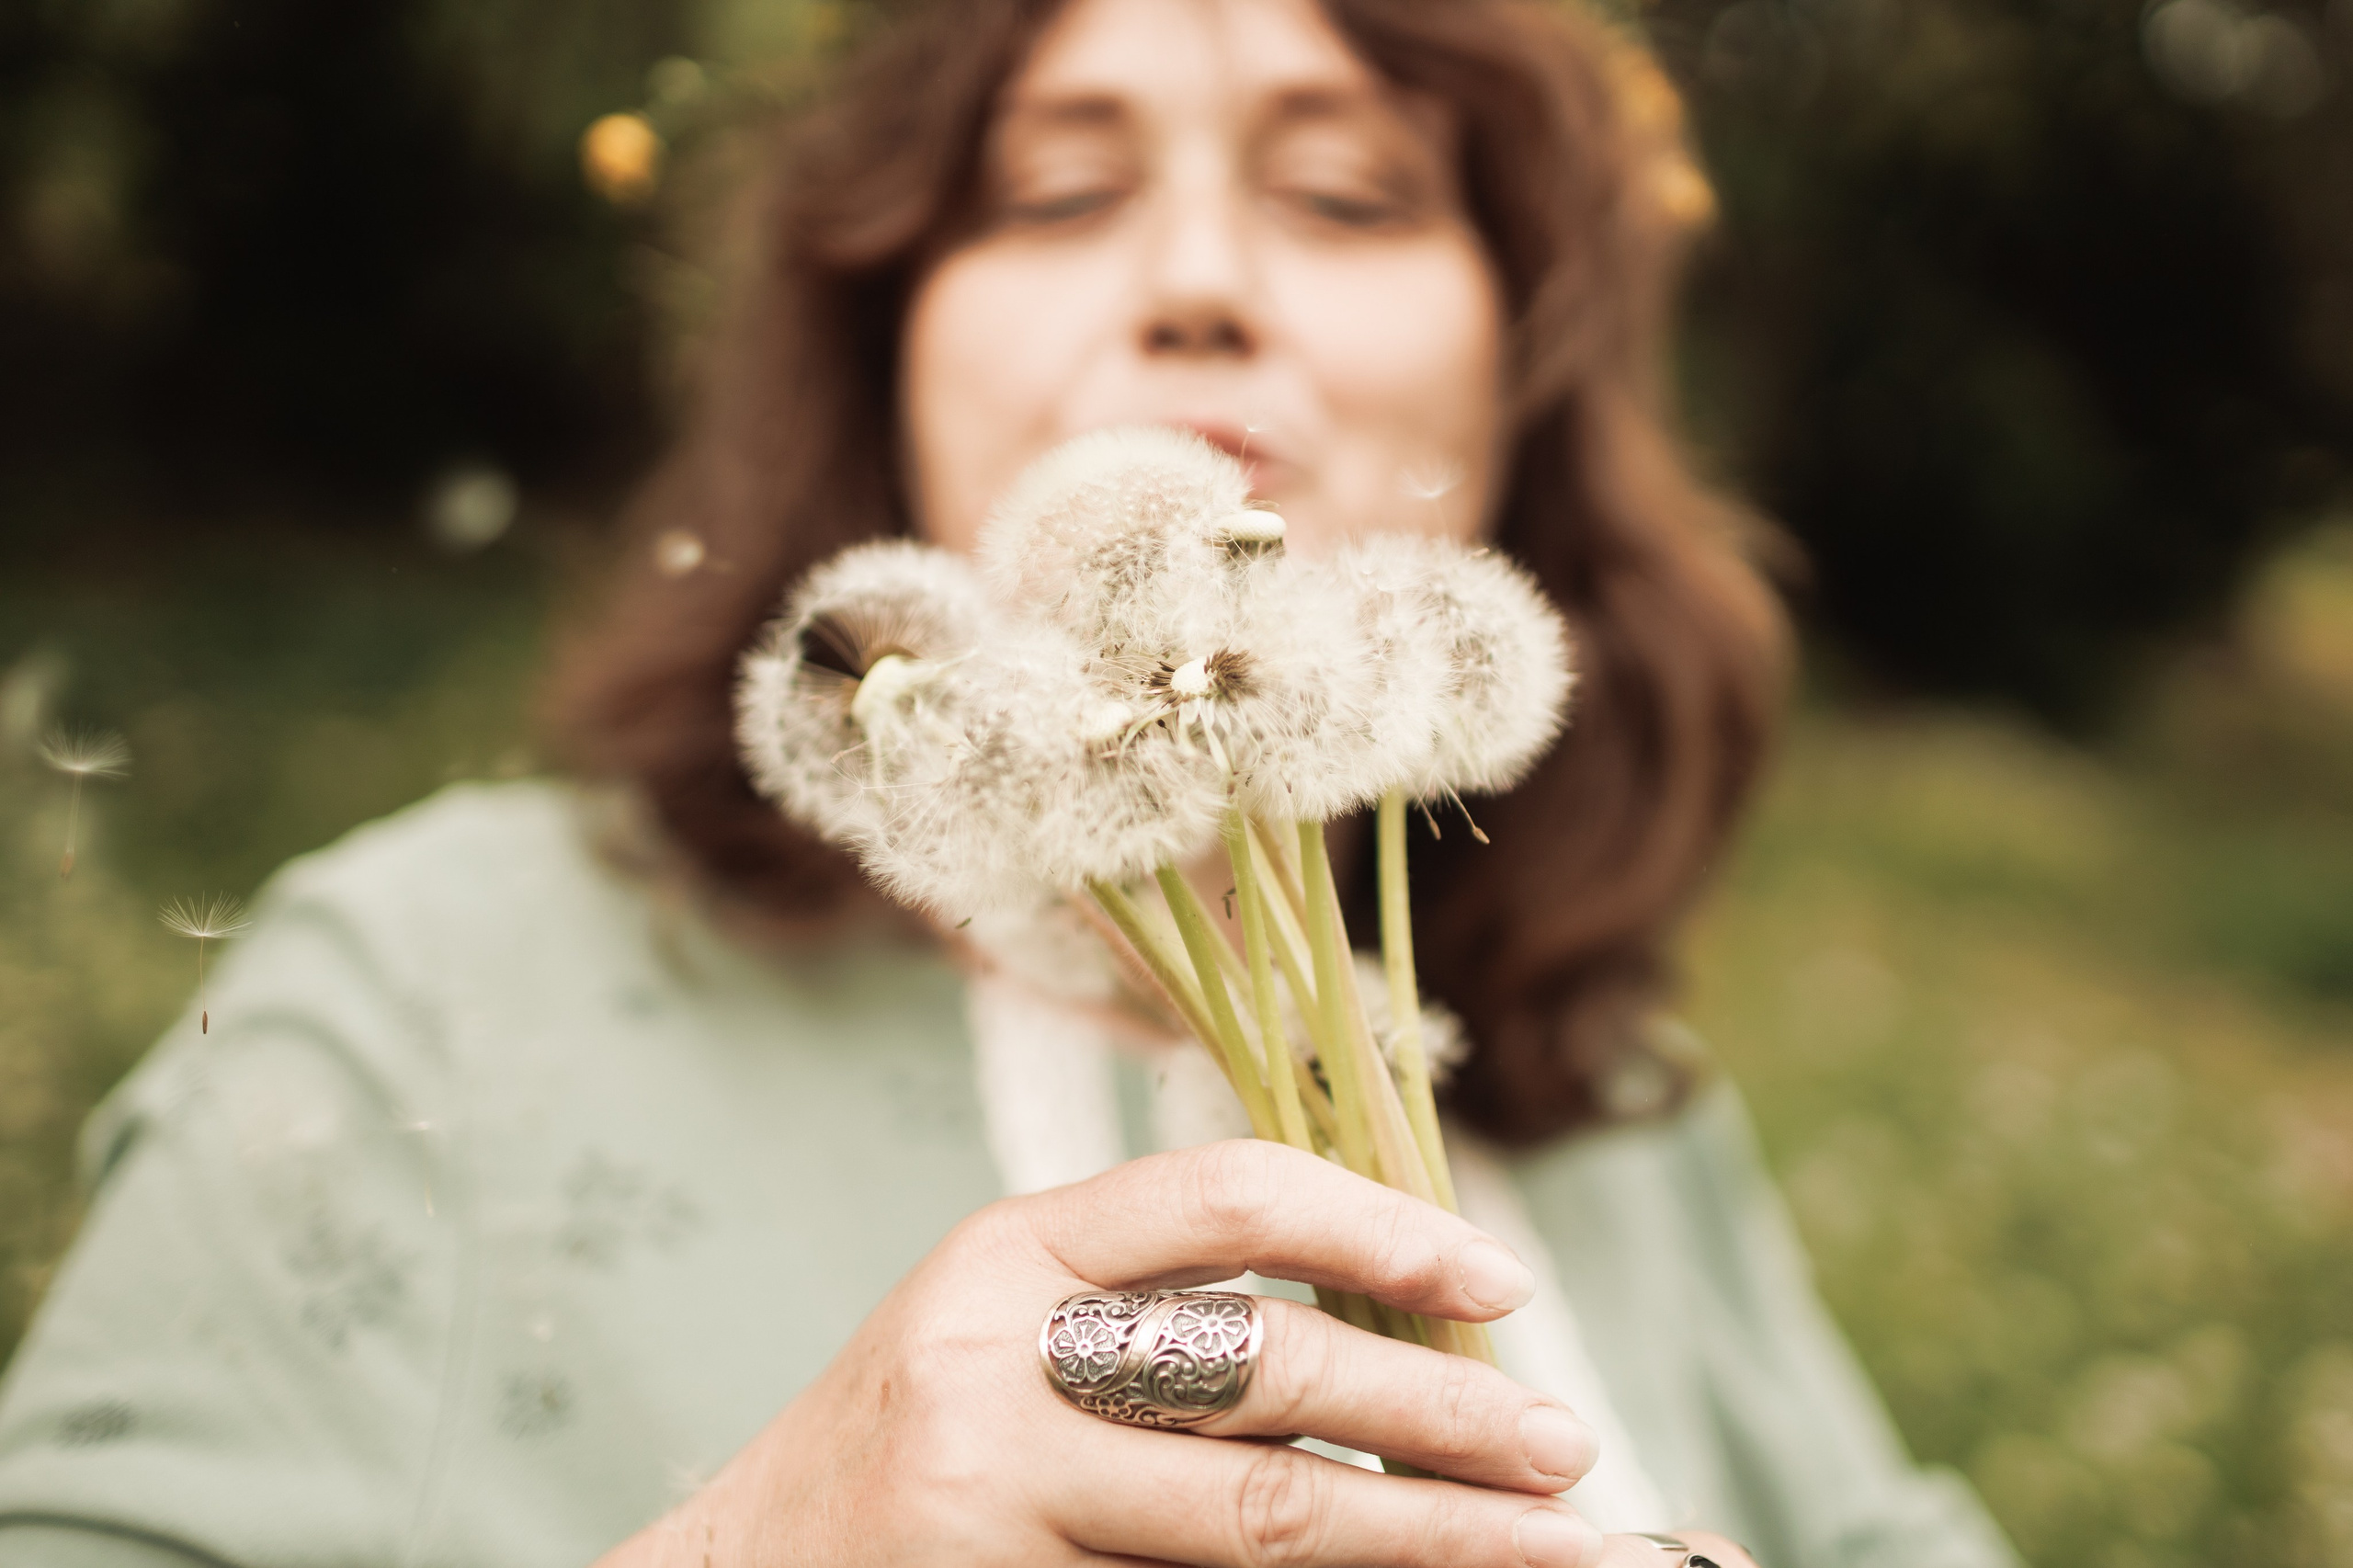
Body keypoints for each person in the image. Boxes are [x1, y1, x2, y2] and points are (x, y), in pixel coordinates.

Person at [0, 1, 2022, 1564]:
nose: (1201, 282)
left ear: (1520, 381)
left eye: (1348, 192)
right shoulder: (424, 980)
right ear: (882, 345)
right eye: (1056, 190)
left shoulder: (1619, 1115)